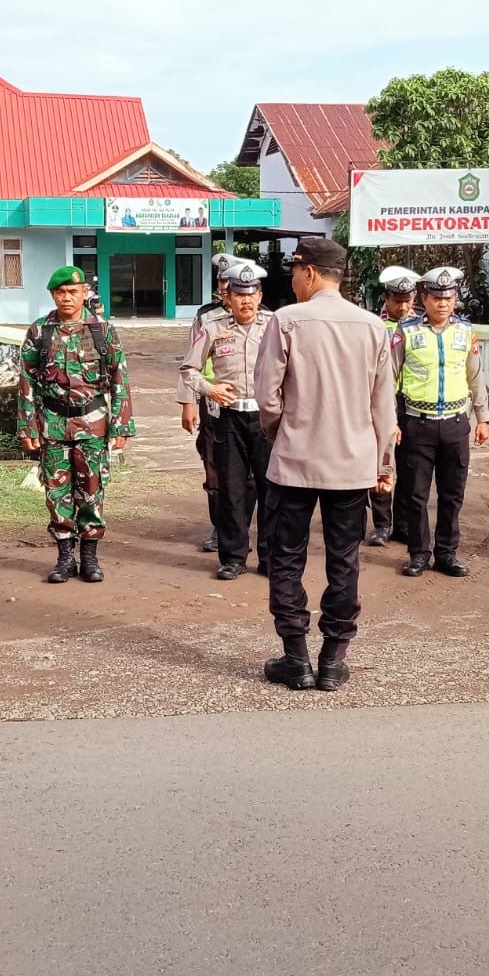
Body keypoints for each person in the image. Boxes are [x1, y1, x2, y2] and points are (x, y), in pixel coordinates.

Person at [254, 238, 396, 692]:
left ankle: (296, 658)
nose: (292, 279)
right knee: (344, 560)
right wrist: (382, 464)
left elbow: (266, 395)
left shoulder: (287, 320)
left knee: (286, 558)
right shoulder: (373, 326)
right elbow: (383, 408)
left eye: (294, 270)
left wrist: (280, 433)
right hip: (352, 466)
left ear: (309, 272)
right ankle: (333, 661)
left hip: (295, 462)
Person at [19, 266, 134, 583]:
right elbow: (26, 381)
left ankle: (90, 557)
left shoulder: (102, 331)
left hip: (93, 424)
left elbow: (118, 378)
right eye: (60, 292)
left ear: (85, 292)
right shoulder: (40, 332)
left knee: (92, 490)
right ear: (53, 295)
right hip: (53, 424)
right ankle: (64, 558)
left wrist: (121, 424)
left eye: (73, 291)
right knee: (56, 492)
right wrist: (27, 425)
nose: (67, 297)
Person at [390, 266, 489, 578]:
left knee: (452, 493)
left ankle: (447, 553)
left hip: (455, 423)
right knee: (416, 494)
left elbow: (475, 376)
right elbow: (389, 378)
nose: (442, 304)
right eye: (436, 297)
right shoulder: (407, 332)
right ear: (424, 298)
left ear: (455, 298)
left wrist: (483, 418)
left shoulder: (465, 332)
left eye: (448, 298)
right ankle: (418, 553)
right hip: (416, 423)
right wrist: (390, 421)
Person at [181, 261, 273, 581]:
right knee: (231, 489)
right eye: (238, 295)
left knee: (271, 488)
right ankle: (233, 556)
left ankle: (270, 556)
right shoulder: (213, 327)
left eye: (252, 294)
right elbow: (189, 370)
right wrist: (209, 389)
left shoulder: (275, 326)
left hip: (266, 418)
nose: (246, 301)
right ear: (228, 297)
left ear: (259, 296)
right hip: (229, 418)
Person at [177, 256, 235, 553]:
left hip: (248, 405)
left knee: (248, 473)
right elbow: (190, 361)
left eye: (233, 282)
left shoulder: (265, 316)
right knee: (213, 467)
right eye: (223, 282)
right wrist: (188, 402)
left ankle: (240, 528)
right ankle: (219, 527)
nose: (227, 288)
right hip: (211, 404)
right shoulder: (206, 316)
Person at [366, 264, 419, 548]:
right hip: (379, 399)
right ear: (386, 298)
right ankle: (381, 525)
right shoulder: (373, 326)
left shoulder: (420, 325)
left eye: (408, 301)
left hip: (409, 402)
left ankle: (404, 524)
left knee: (411, 466)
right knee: (382, 461)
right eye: (398, 301)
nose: (403, 306)